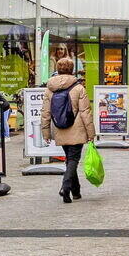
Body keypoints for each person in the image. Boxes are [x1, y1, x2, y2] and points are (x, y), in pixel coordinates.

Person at [45, 56, 96, 202]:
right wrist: (91, 134)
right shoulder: (79, 88)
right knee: (73, 160)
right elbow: (85, 113)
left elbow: (45, 113)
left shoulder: (50, 89)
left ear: (58, 69)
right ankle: (65, 187)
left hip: (60, 128)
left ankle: (76, 192)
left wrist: (46, 133)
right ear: (72, 70)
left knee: (70, 160)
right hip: (77, 129)